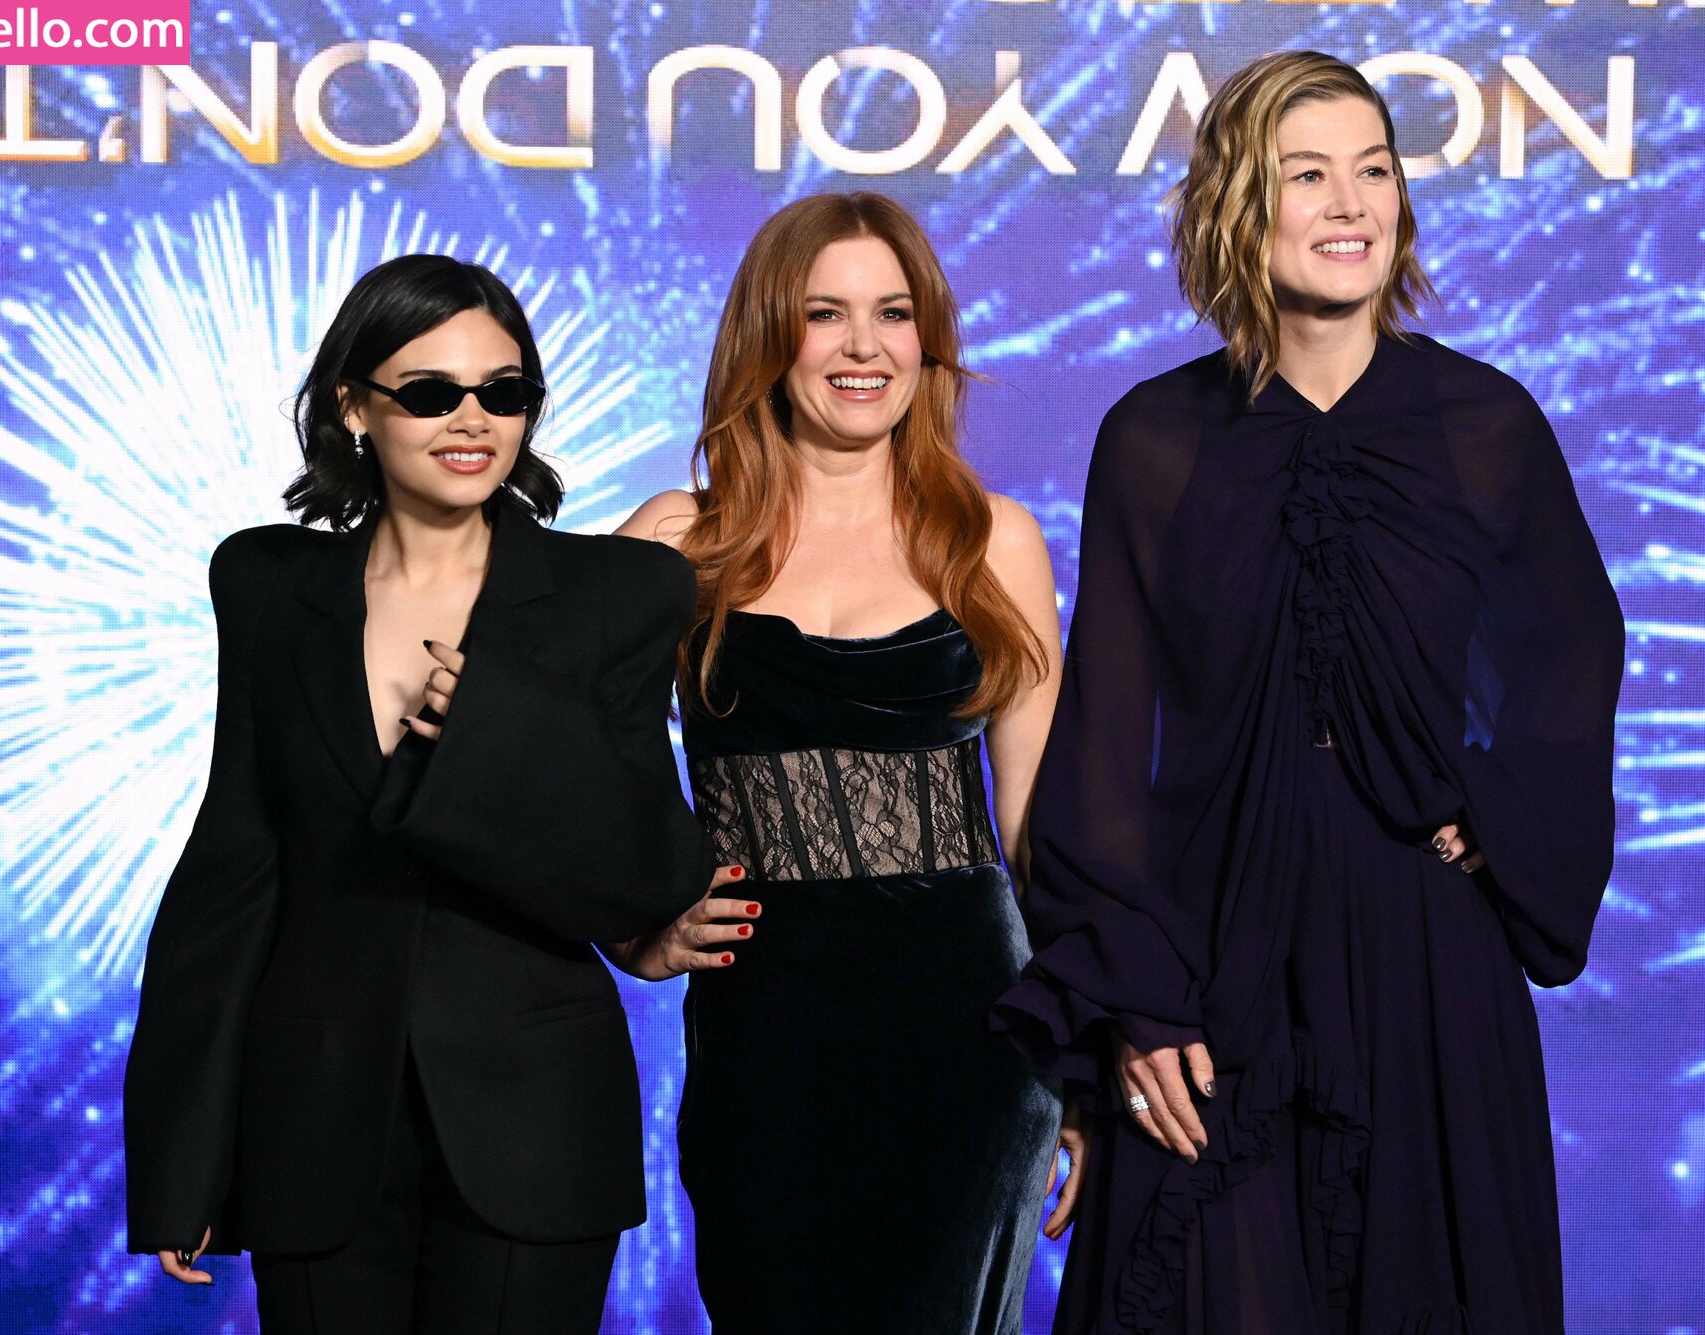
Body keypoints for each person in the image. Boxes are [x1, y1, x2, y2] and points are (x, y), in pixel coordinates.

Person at [993, 51, 1626, 1334]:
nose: (1351, 204)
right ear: (1240, 203)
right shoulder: (1154, 439)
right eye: (1307, 175)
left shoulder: (1486, 422)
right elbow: (1107, 741)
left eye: (1374, 171)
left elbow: (1574, 657)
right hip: (1213, 956)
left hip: (1424, 956)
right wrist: (1133, 997)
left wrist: (1491, 818)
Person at [122, 253, 722, 1334]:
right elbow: (232, 872)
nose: (472, 419)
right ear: (353, 405)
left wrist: (498, 728)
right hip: (308, 1117)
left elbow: (644, 870)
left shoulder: (622, 590)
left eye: (504, 391)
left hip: (536, 1118)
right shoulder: (264, 585)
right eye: (432, 392)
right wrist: (180, 1154)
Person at [615, 191, 1079, 1334]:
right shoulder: (676, 539)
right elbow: (557, 754)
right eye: (826, 313)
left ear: (928, 340)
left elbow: (1039, 829)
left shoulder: (993, 540)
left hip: (971, 1037)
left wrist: (1084, 1051)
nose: (864, 346)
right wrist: (630, 928)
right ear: (770, 336)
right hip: (762, 1042)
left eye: (894, 313)